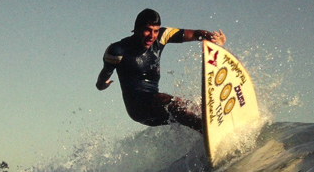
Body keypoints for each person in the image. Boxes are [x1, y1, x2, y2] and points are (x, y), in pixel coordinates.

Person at [96, 8, 226, 133]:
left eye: (155, 31)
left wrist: (213, 38)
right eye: (147, 30)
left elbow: (195, 34)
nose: (151, 36)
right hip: (138, 109)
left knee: (189, 107)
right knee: (174, 103)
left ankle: (214, 130)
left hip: (157, 107)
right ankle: (210, 131)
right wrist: (102, 84)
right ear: (136, 28)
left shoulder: (162, 36)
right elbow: (103, 76)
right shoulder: (117, 51)